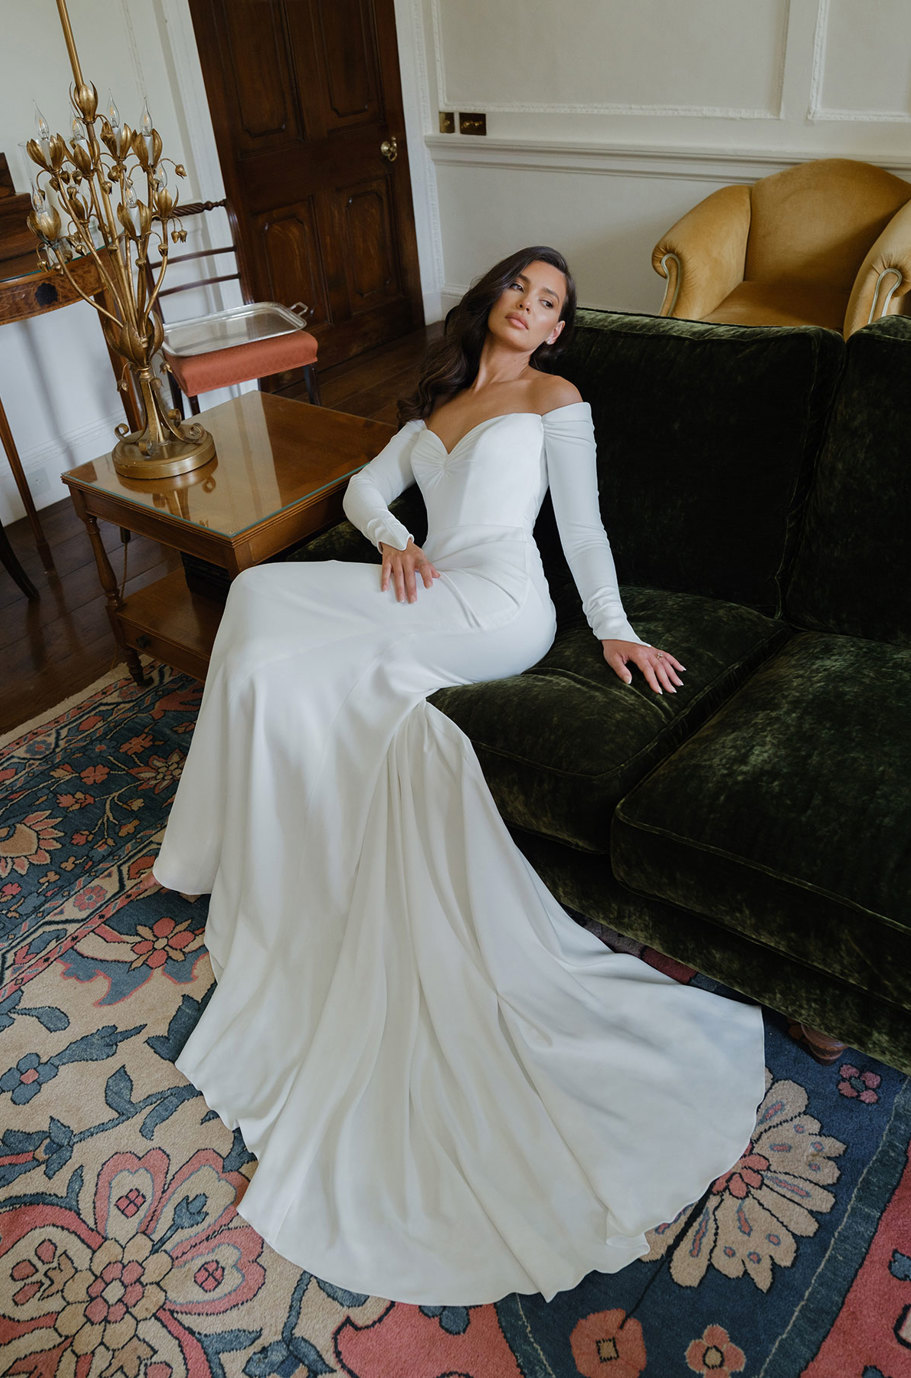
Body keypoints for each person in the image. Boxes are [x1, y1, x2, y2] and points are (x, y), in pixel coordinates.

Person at [153, 246, 765, 1307]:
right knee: (253, 605)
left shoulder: (554, 398)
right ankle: (234, 854)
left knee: (284, 640)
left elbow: (580, 527)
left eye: (552, 303)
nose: (533, 308)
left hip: (501, 608)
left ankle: (254, 857)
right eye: (521, 289)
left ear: (558, 330)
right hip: (427, 586)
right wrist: (392, 538)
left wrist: (614, 630)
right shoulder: (430, 412)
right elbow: (361, 491)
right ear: (490, 298)